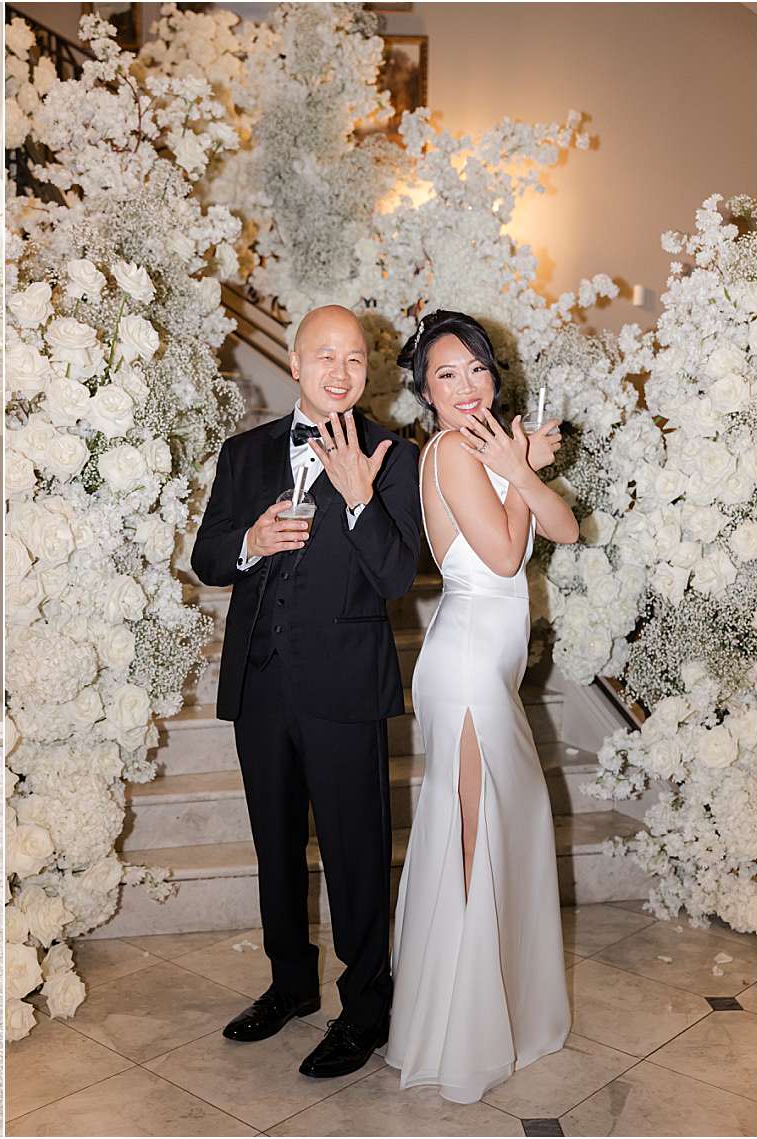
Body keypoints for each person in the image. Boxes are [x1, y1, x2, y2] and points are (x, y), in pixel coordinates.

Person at [191, 305, 421, 1079]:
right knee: (276, 848)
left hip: (345, 684)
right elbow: (207, 557)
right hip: (261, 682)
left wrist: (358, 497)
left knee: (356, 854)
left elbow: (396, 577)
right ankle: (290, 984)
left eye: (354, 359)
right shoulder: (245, 451)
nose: (340, 371)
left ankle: (365, 1008)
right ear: (295, 363)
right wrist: (249, 543)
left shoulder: (394, 455)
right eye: (325, 355)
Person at [385, 309, 575, 1102]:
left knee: (509, 821)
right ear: (425, 393)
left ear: (494, 375)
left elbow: (566, 525)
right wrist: (522, 466)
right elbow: (501, 555)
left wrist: (524, 466)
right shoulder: (450, 452)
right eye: (446, 375)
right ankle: (457, 1033)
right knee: (472, 838)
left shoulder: (491, 451)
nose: (467, 387)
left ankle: (489, 1007)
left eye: (476, 370)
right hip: (462, 668)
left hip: (487, 669)